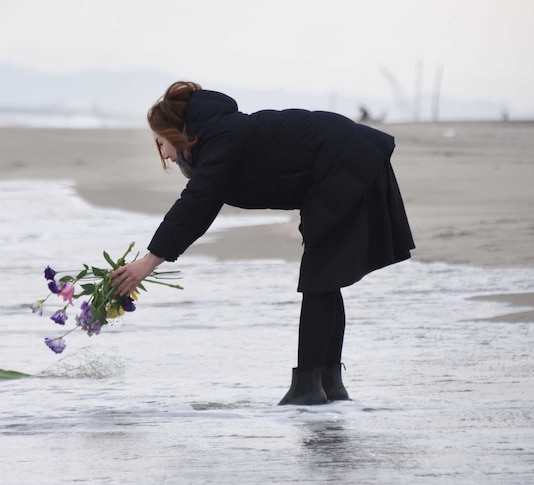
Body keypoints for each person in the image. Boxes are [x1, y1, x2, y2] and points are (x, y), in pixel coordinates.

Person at [110, 81, 415, 405]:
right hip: (345, 160)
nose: (167, 156)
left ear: (174, 133)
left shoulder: (221, 136)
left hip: (343, 162)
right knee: (325, 278)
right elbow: (203, 208)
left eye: (161, 144)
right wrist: (153, 260)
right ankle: (328, 385)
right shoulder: (219, 139)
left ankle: (308, 389)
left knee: (320, 278)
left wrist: (147, 262)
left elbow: (196, 201)